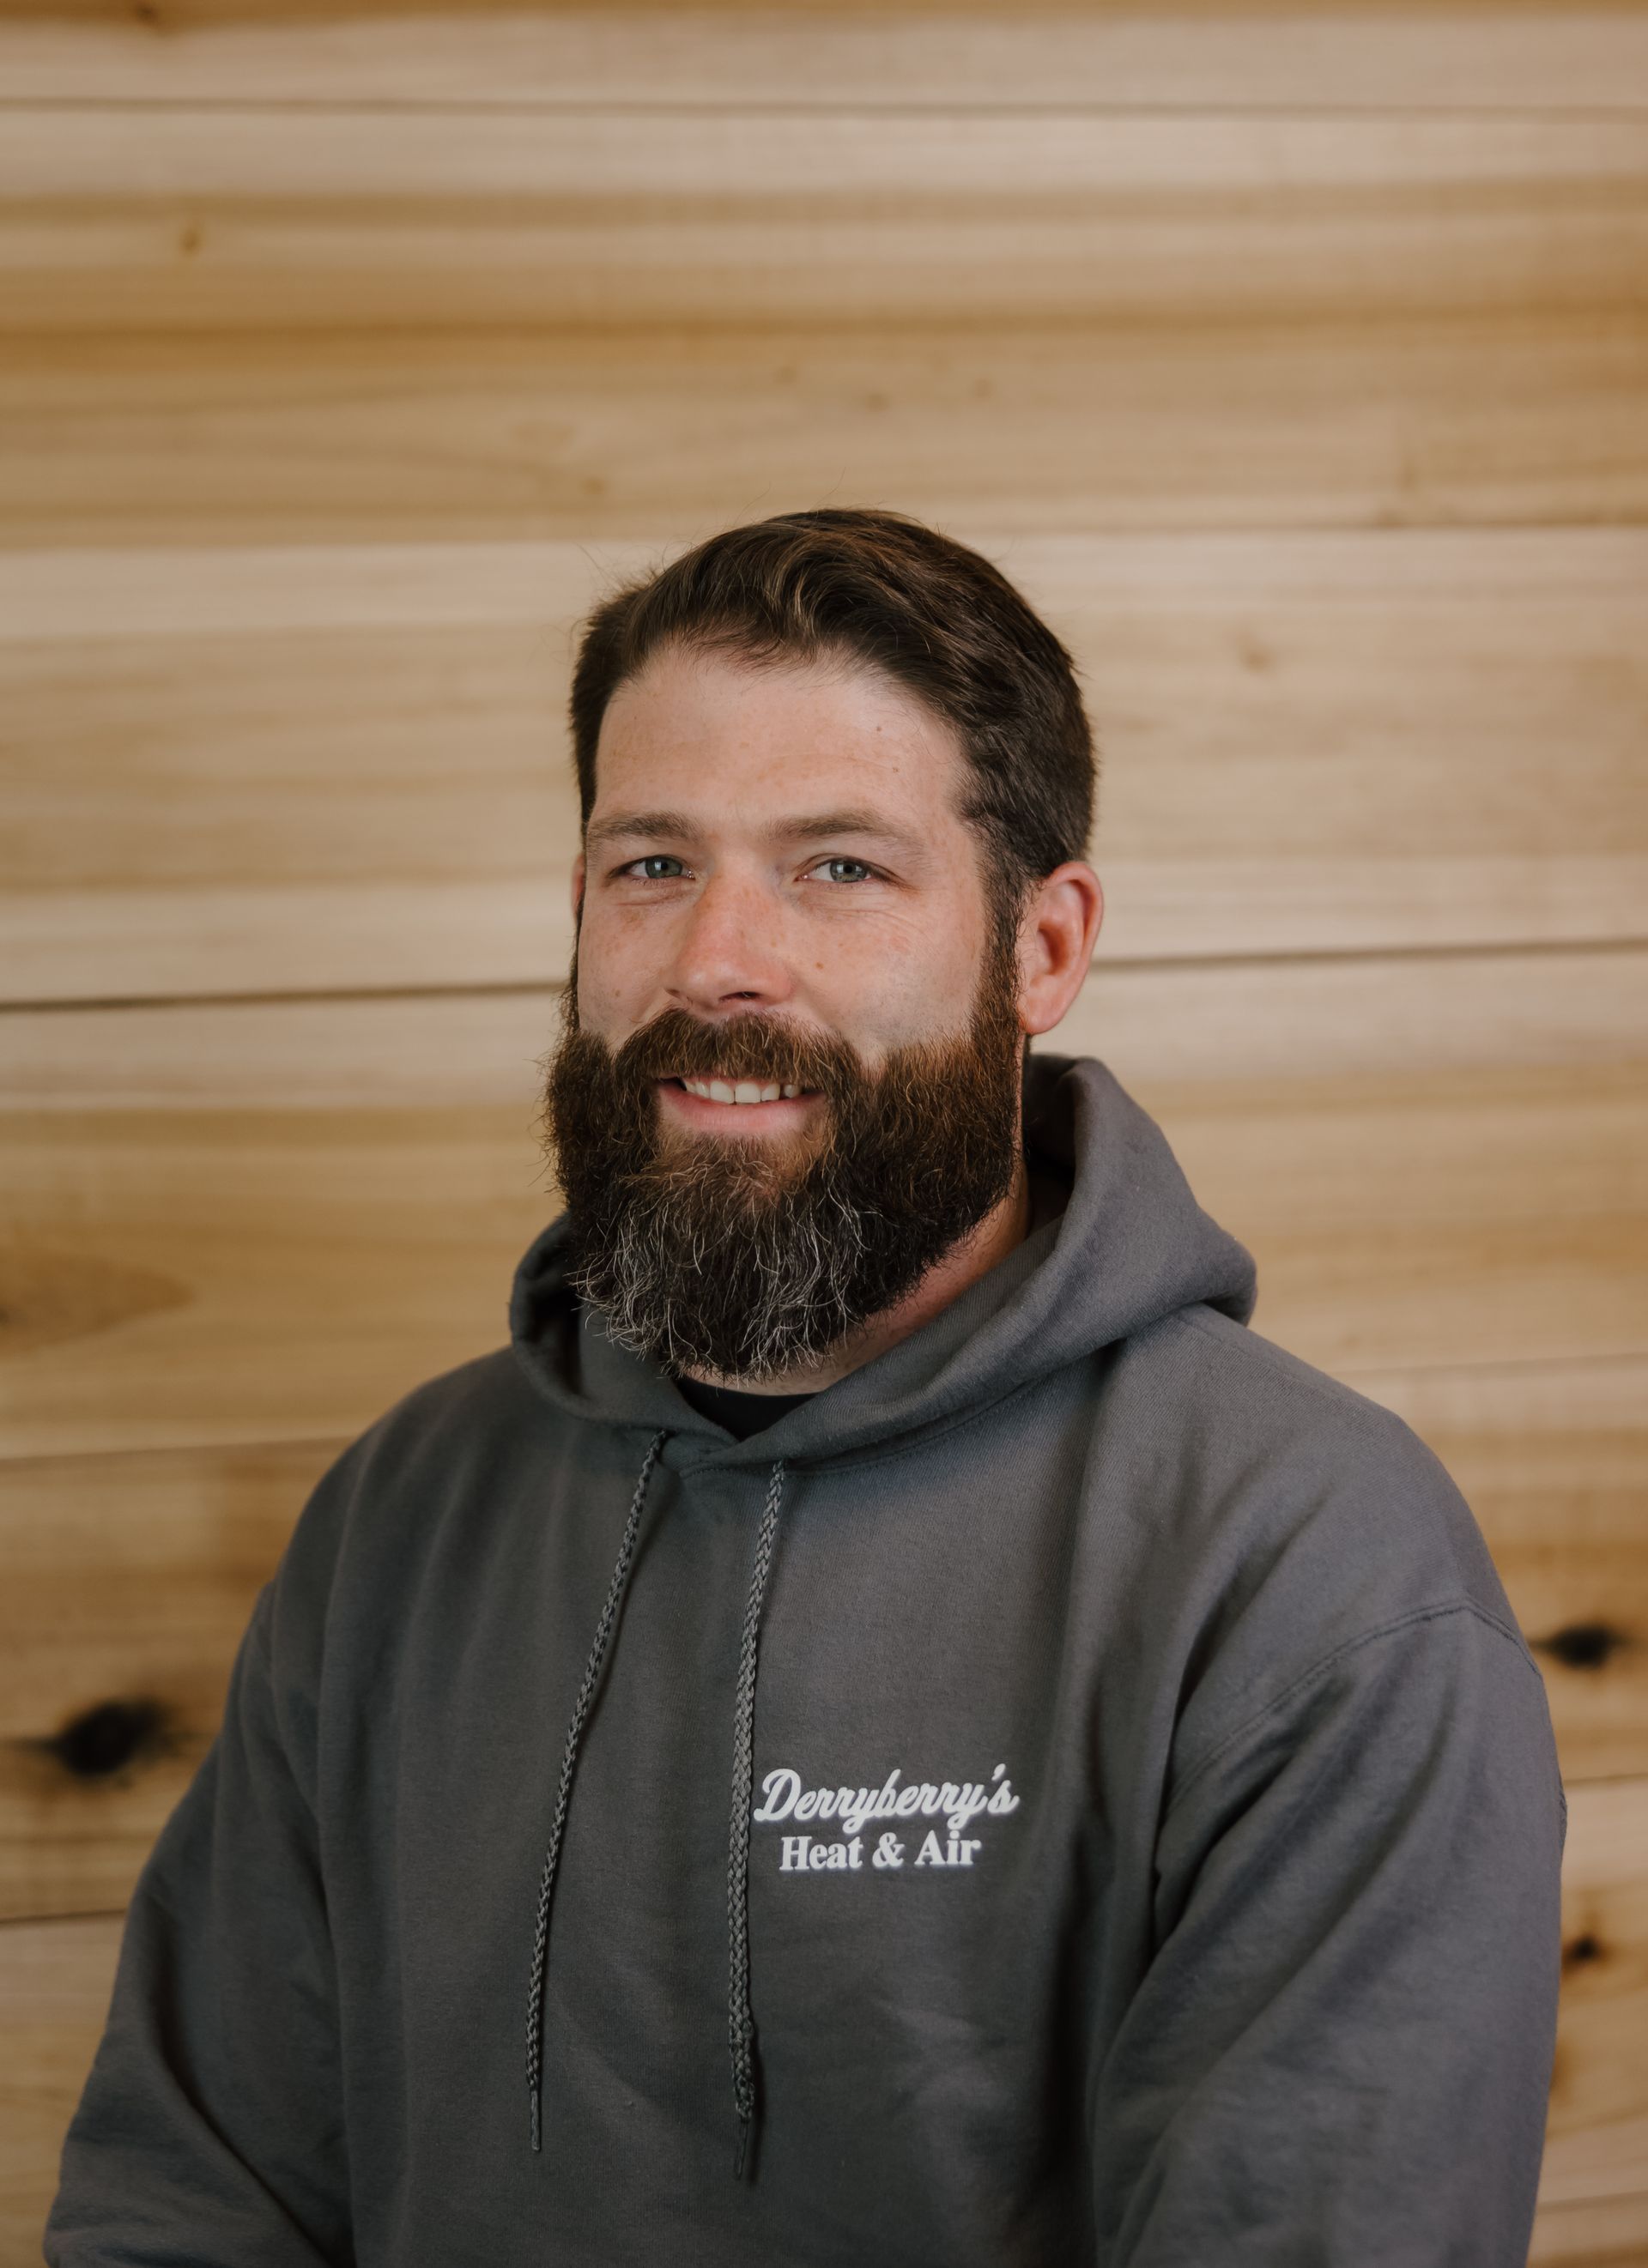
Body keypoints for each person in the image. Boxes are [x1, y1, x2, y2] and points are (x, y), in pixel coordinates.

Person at [47, 508, 1565, 2266]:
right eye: (652, 864)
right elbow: (190, 2202)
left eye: (840, 867)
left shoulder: (1312, 1571)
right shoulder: (407, 1509)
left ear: (1041, 948)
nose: (714, 961)